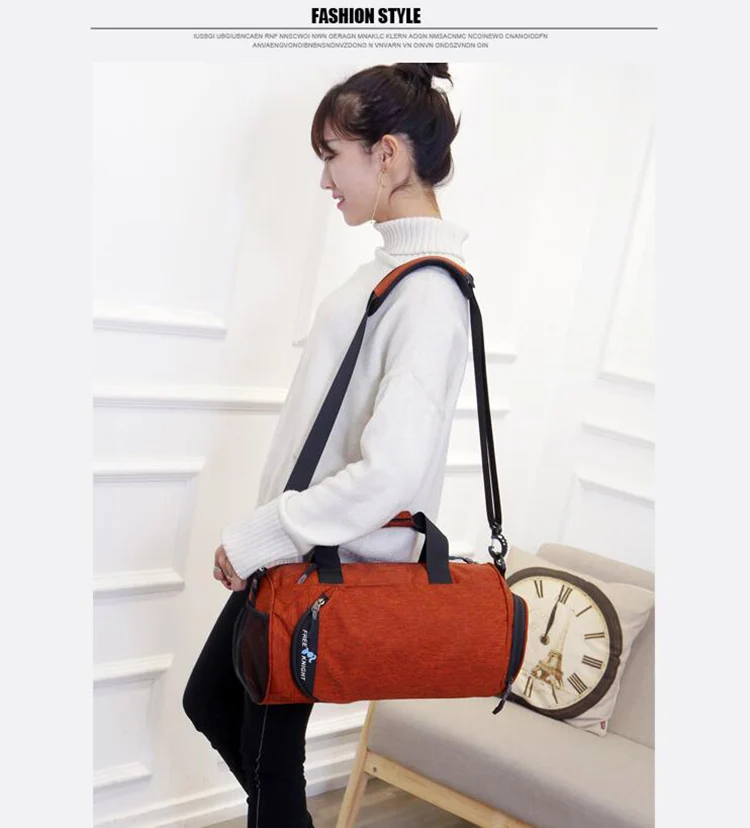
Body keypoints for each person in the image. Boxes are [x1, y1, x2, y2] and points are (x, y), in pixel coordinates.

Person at [182, 62, 472, 828]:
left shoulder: (428, 294)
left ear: (388, 155)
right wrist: (267, 540)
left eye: (332, 155)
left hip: (323, 569)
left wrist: (263, 534)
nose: (324, 180)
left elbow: (392, 473)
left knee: (269, 759)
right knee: (220, 710)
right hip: (298, 559)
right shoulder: (394, 272)